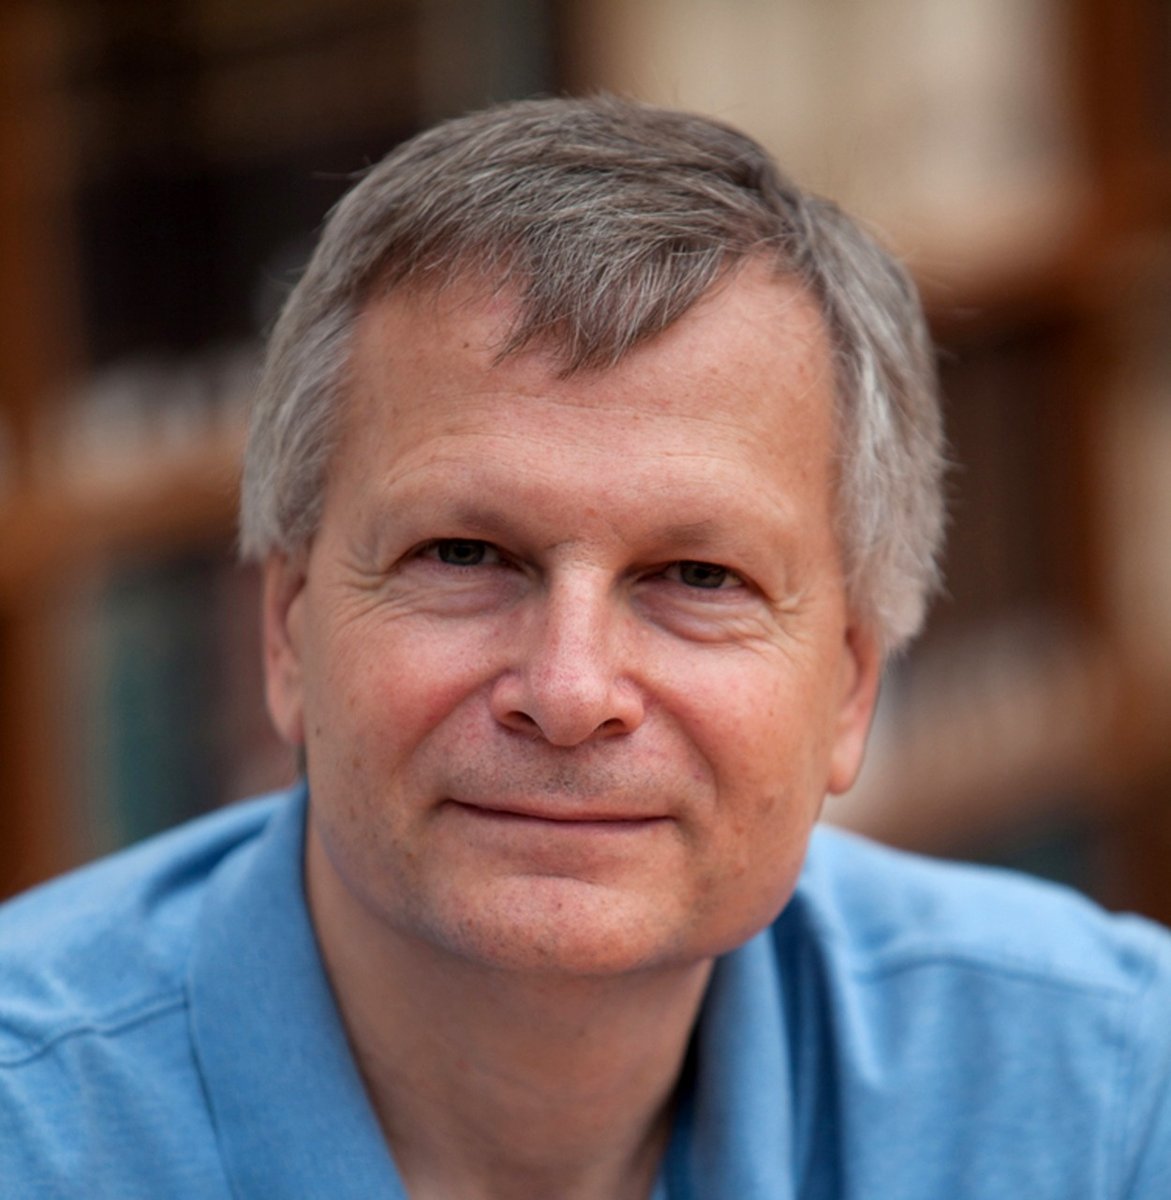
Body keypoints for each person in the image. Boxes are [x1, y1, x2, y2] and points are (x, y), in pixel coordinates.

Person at [1, 95, 1169, 1199]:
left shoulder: (1105, 1090)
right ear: (287, 635)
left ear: (853, 689)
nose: (568, 692)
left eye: (699, 577)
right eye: (463, 555)